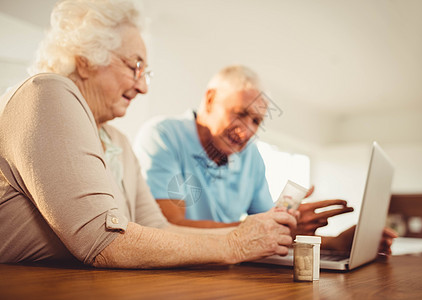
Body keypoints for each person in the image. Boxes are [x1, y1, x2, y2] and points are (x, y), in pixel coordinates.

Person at [0, 0, 301, 267]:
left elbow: (159, 229)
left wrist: (259, 234)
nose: (143, 86)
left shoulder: (117, 142)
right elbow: (104, 243)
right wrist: (234, 244)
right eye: (135, 67)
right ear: (86, 58)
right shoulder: (46, 92)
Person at [134, 65, 355, 236]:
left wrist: (336, 243)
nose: (246, 131)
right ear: (210, 100)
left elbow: (271, 229)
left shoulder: (252, 157)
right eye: (239, 114)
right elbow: (168, 227)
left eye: (256, 121)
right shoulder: (162, 136)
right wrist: (272, 228)